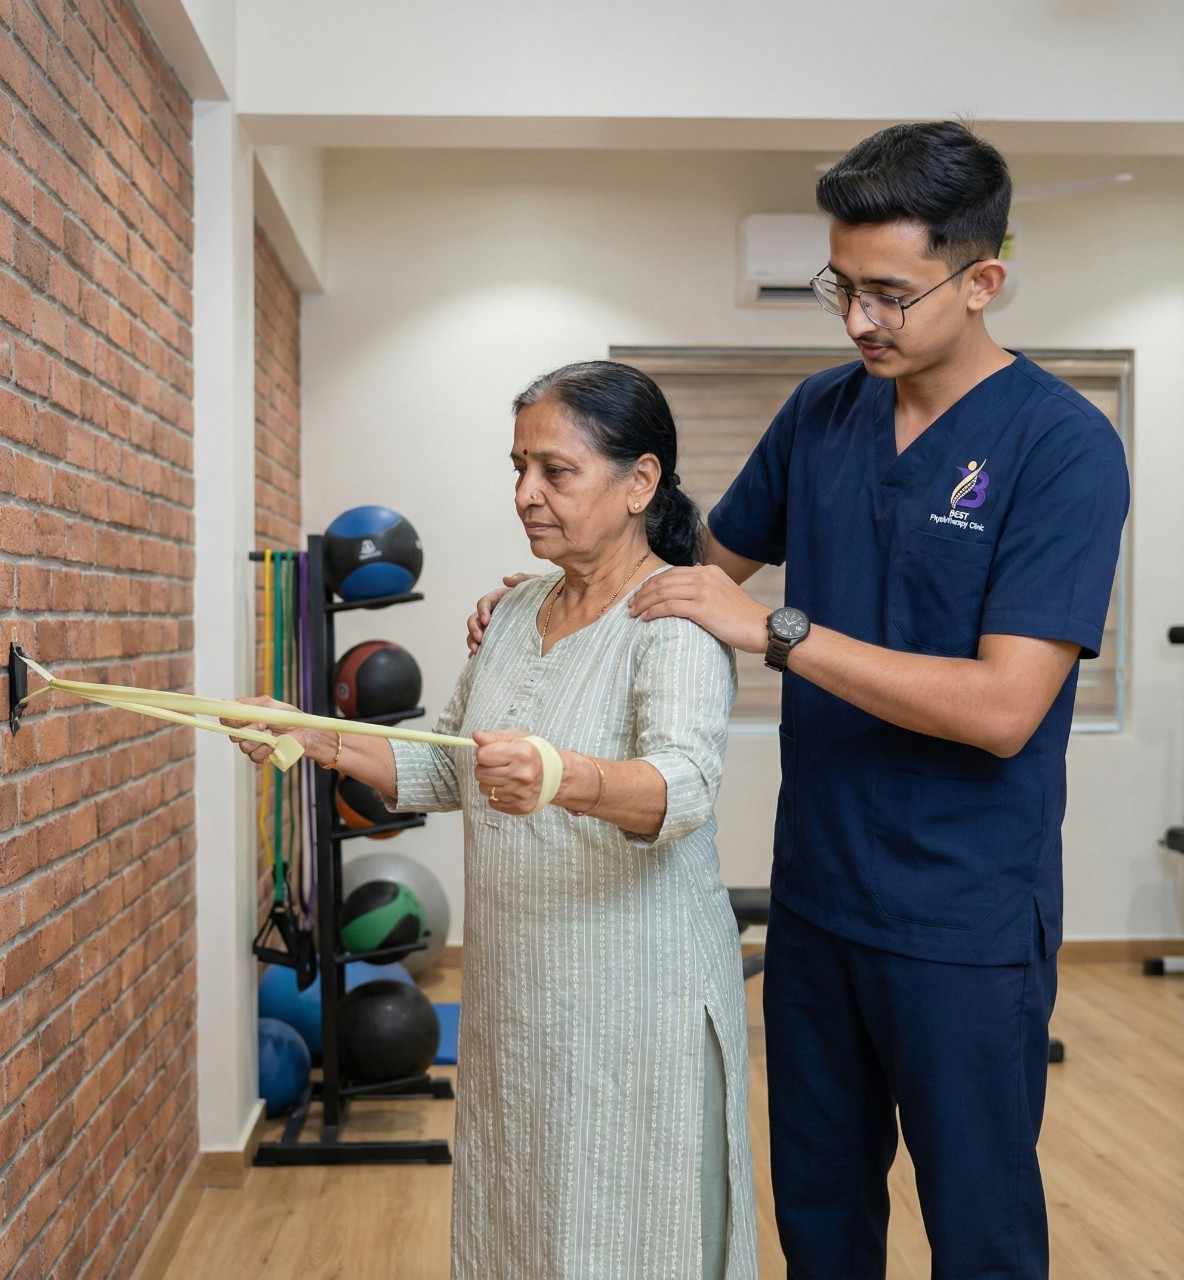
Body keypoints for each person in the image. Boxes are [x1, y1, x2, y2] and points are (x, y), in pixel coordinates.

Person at [469, 123, 1129, 1279]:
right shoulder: (823, 415)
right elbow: (690, 564)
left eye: (887, 291)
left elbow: (1001, 706)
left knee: (978, 1231)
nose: (857, 319)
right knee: (818, 1221)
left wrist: (780, 631)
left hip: (962, 916)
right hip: (817, 899)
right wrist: (550, 594)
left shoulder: (1060, 444)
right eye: (841, 286)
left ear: (981, 281)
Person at [230, 361, 758, 1280]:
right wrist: (313, 735)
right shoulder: (514, 612)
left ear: (639, 484)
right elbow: (448, 767)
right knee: (524, 1222)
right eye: (518, 468)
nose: (526, 495)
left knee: (634, 1235)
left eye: (556, 472)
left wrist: (564, 776)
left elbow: (684, 789)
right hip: (520, 994)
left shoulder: (674, 620)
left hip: (639, 999)